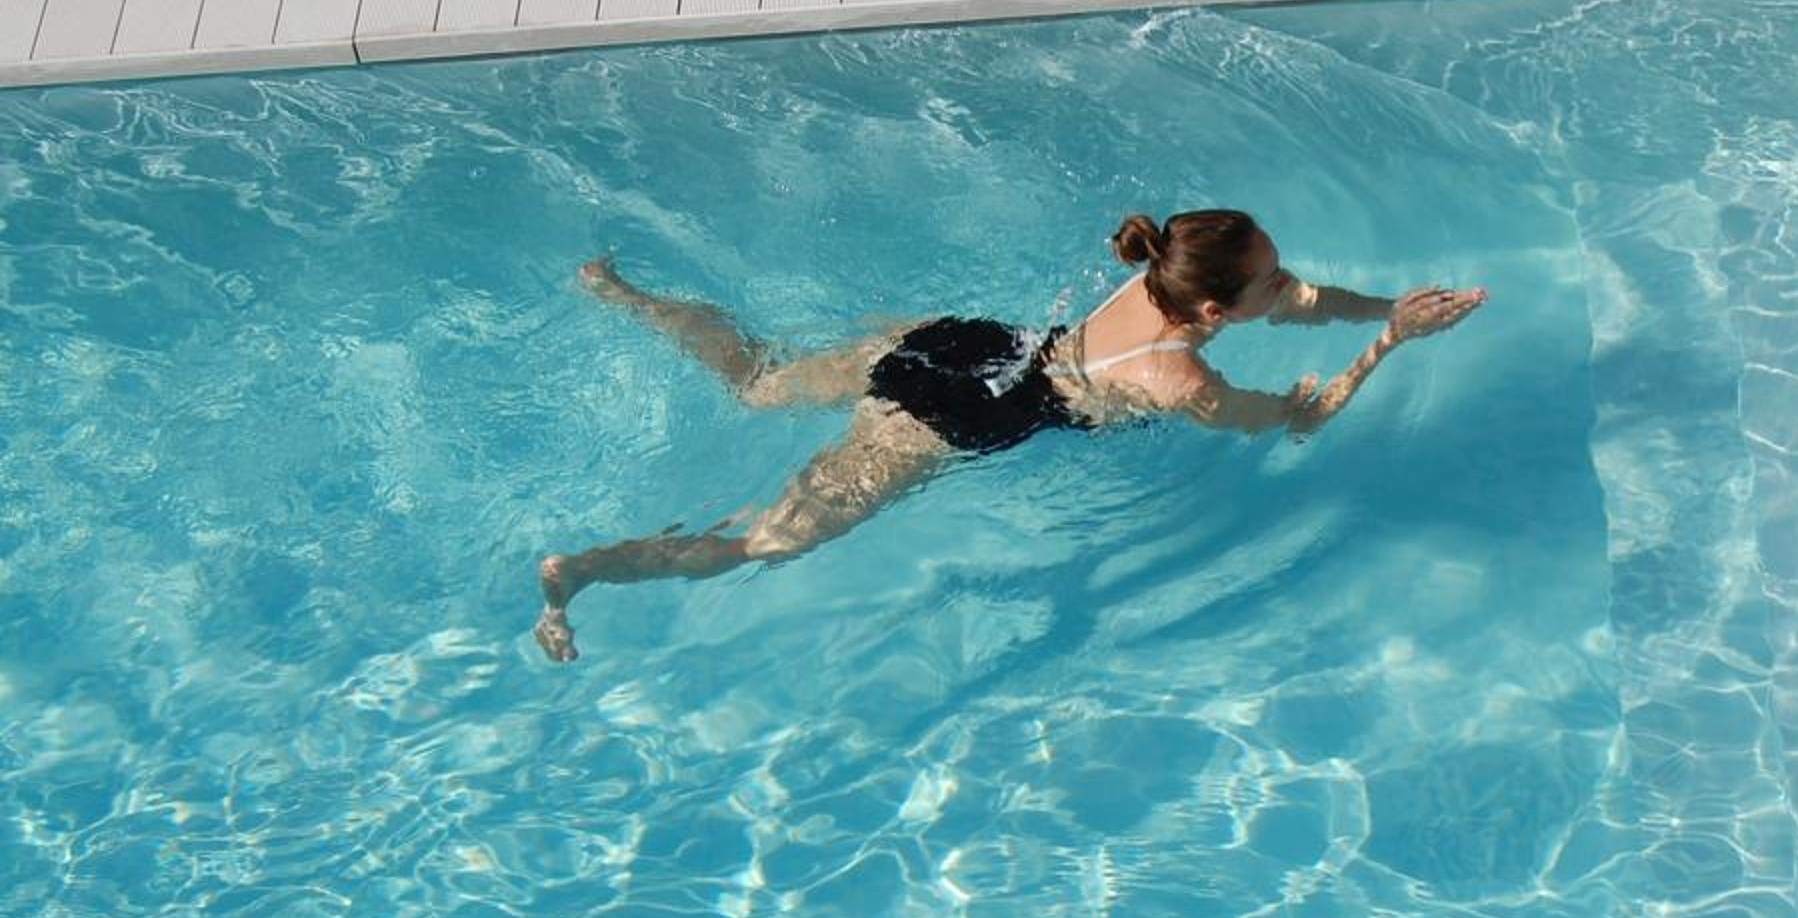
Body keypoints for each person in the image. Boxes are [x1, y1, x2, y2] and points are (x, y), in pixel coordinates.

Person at [532, 209, 1486, 661]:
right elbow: (1298, 424)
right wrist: (1390, 344)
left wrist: (1380, 304)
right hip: (951, 417)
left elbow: (1302, 302)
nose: (1289, 286)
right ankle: (580, 574)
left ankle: (619, 293)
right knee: (762, 546)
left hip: (963, 343)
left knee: (756, 383)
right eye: (1271, 279)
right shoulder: (1180, 379)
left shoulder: (1164, 269)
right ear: (1211, 310)